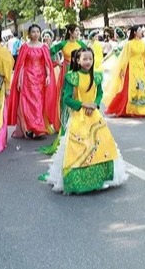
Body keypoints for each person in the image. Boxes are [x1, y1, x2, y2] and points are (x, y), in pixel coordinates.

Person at [43, 48, 128, 194]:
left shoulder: (97, 76)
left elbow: (99, 92)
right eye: (85, 59)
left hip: (94, 116)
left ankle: (102, 178)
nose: (88, 62)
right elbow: (66, 98)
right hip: (78, 117)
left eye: (90, 59)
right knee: (79, 147)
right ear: (77, 60)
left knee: (101, 145)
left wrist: (95, 103)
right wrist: (83, 105)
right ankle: (78, 180)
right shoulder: (72, 76)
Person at [38, 24, 86, 155]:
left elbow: (88, 57)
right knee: (65, 99)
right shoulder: (62, 44)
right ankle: (64, 124)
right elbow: (48, 53)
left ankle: (78, 124)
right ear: (70, 32)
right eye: (76, 30)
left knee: (79, 98)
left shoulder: (81, 43)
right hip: (66, 73)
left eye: (78, 30)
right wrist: (54, 64)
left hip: (79, 73)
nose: (78, 32)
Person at [7, 24, 58, 139]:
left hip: (40, 79)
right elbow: (21, 65)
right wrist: (19, 80)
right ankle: (28, 127)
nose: (35, 34)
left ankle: (38, 128)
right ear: (29, 34)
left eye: (37, 32)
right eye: (33, 32)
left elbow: (46, 63)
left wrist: (48, 75)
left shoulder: (43, 47)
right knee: (26, 103)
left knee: (38, 103)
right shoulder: (25, 47)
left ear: (40, 33)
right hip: (27, 78)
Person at [104, 25, 145, 117]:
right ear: (135, 32)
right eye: (139, 30)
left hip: (140, 68)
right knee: (130, 88)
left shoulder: (143, 43)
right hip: (131, 68)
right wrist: (122, 69)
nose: (141, 32)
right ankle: (129, 108)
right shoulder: (129, 44)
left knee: (141, 87)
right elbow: (124, 57)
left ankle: (141, 109)